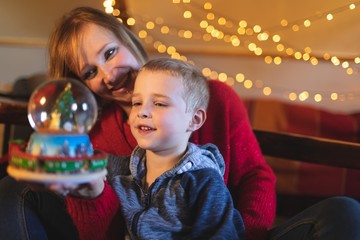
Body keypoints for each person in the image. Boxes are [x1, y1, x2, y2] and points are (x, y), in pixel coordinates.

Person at [0, 6, 359, 240]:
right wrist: (88, 190)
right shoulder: (95, 135)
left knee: (343, 211)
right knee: (11, 191)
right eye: (91, 72)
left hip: (225, 233)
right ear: (82, 85)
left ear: (129, 41)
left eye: (110, 52)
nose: (109, 74)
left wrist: (243, 234)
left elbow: (255, 176)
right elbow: (103, 227)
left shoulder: (211, 98)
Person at [105, 57, 244, 239]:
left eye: (160, 104)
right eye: (137, 103)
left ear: (194, 120)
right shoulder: (122, 171)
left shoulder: (204, 181)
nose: (142, 111)